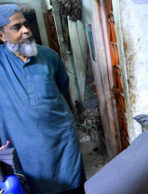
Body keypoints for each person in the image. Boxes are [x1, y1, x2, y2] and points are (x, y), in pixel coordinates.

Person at [0, 4, 85, 193]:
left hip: (62, 143)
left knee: (72, 187)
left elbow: (62, 88)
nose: (26, 31)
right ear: (1, 35)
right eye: (16, 27)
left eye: (26, 24)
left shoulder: (49, 56)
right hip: (24, 151)